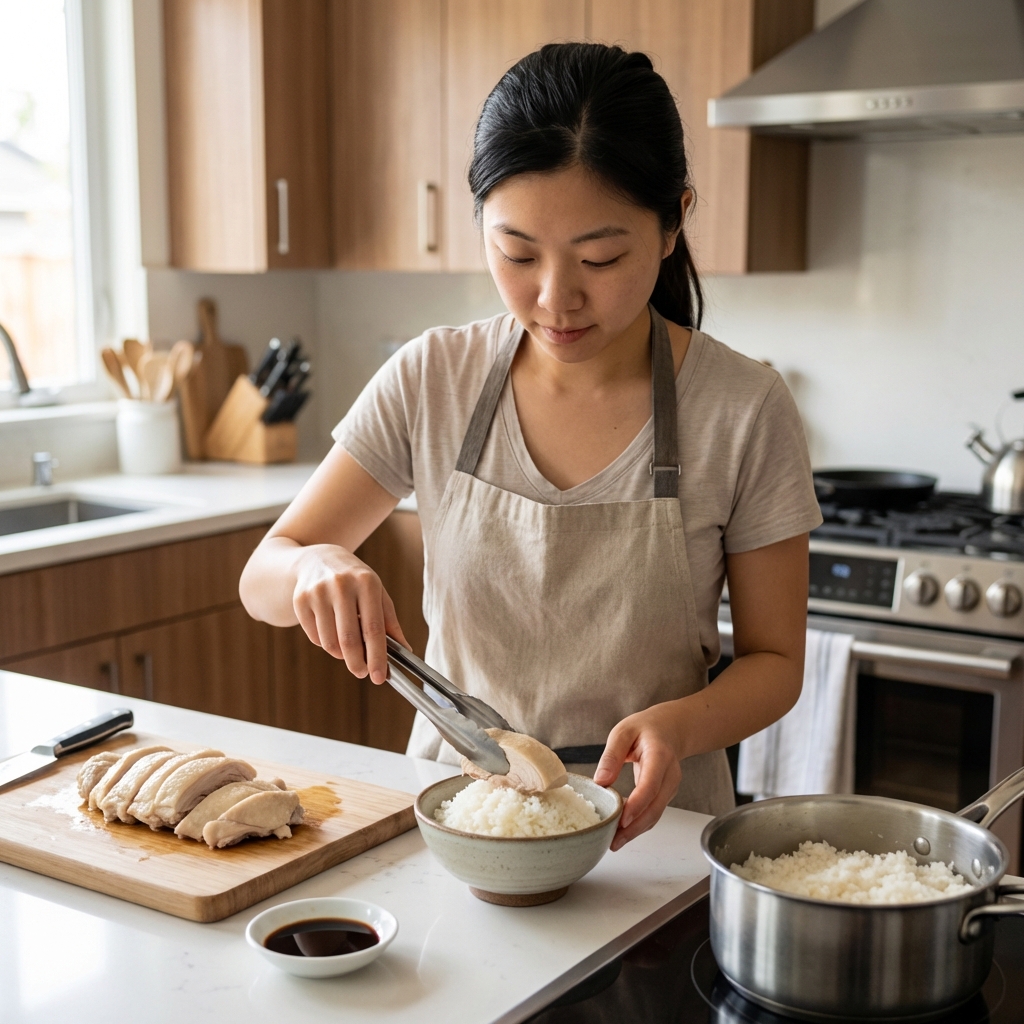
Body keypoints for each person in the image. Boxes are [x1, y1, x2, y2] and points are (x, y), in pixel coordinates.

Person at [240, 42, 822, 851]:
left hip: (654, 832)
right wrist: (310, 565)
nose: (556, 299)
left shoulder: (744, 408)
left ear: (672, 222)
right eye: (516, 253)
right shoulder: (432, 377)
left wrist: (681, 726)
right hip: (456, 816)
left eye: (601, 257)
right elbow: (264, 573)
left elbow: (775, 660)